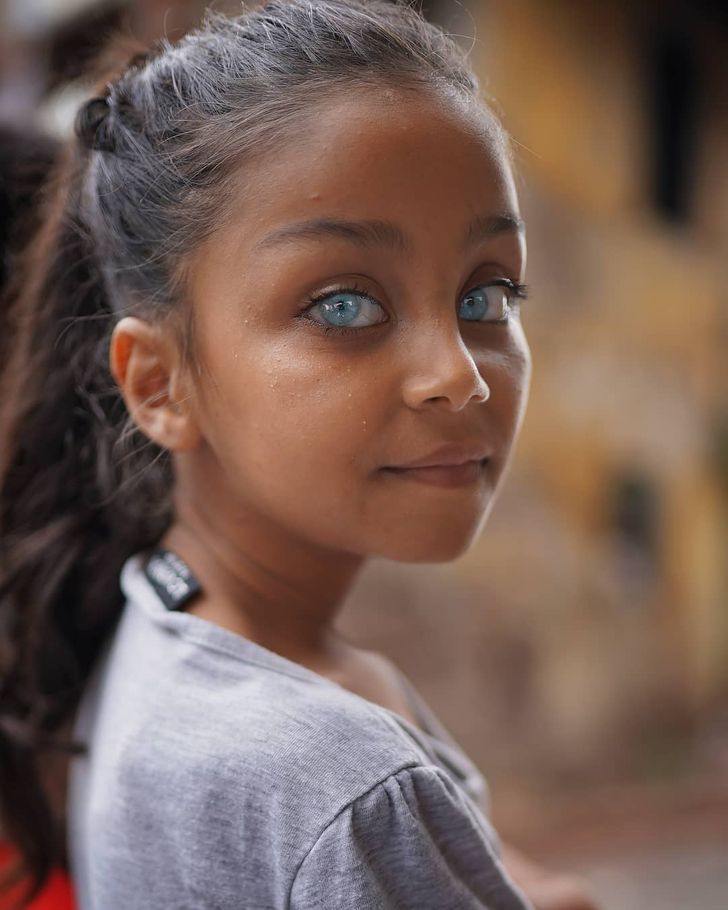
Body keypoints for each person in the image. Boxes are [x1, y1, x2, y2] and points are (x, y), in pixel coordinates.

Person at [0, 1, 599, 907]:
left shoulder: (155, 622)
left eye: (488, 294)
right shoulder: (339, 783)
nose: (459, 378)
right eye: (343, 306)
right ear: (159, 384)